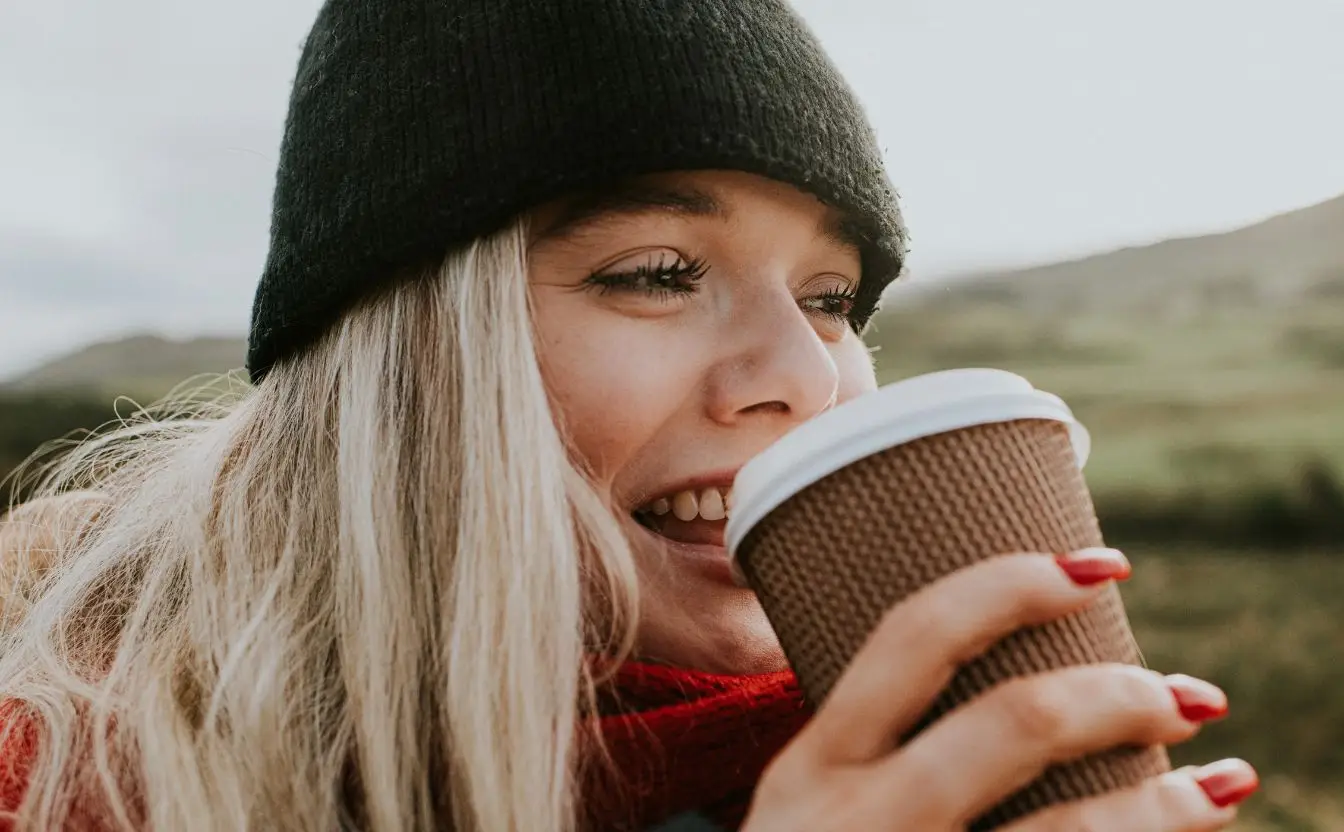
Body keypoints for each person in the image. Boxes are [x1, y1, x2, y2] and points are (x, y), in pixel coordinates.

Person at [0, 1, 1259, 829]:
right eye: (658, 273)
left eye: (831, 297)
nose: (809, 380)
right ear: (408, 376)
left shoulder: (894, 773)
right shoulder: (75, 781)